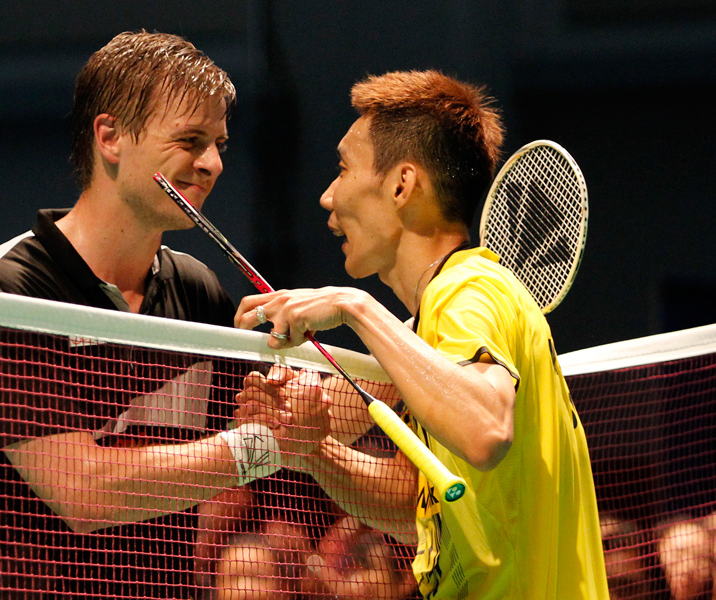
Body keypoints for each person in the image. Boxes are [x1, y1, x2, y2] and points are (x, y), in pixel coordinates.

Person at [0, 30, 298, 599]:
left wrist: (360, 339)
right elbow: (85, 494)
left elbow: (287, 431)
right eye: (190, 140)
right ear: (111, 137)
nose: (213, 163)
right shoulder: (9, 288)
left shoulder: (197, 292)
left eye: (219, 143)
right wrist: (259, 446)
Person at [234, 69, 610, 598]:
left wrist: (356, 307)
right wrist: (310, 446)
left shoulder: (468, 289)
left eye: (342, 169)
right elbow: (414, 507)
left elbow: (485, 429)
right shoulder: (436, 325)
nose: (327, 196)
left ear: (402, 185)